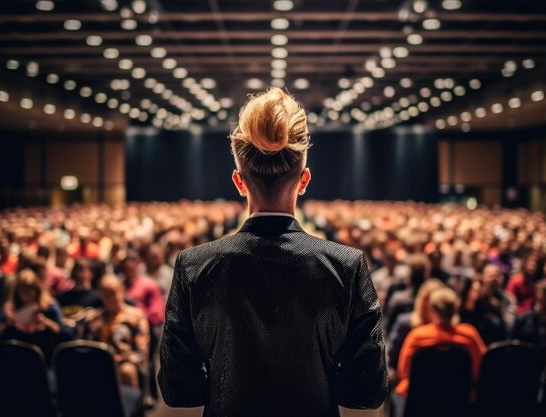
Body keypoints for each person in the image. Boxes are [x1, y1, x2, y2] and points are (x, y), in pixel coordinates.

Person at [158, 88, 388, 416]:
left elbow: (178, 389)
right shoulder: (346, 265)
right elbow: (367, 391)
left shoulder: (194, 265)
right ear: (304, 180)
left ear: (239, 182)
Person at [393, 287, 486, 417]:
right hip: (459, 406)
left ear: (431, 308)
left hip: (422, 406)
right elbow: (481, 371)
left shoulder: (417, 336)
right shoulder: (470, 335)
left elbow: (404, 372)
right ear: (456, 308)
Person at [78, 274, 150, 388]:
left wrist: (122, 358)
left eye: (113, 293)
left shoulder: (136, 315)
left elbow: (142, 353)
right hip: (99, 362)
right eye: (106, 295)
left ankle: (131, 403)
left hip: (125, 361)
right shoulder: (95, 317)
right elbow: (85, 343)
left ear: (122, 291)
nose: (110, 299)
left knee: (126, 371)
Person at [0, 268, 69, 358]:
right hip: (17, 357)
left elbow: (65, 333)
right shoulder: (11, 309)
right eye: (24, 290)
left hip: (44, 356)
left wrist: (45, 322)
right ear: (17, 292)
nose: (28, 294)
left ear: (38, 290)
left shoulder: (49, 307)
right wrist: (8, 324)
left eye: (31, 290)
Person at [386, 278, 446, 384]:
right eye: (430, 306)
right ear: (422, 303)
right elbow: (392, 358)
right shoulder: (405, 324)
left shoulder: (447, 331)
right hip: (407, 382)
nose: (432, 311)